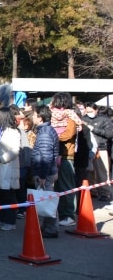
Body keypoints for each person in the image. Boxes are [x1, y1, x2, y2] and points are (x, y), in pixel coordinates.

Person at [50, 92, 81, 227]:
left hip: (67, 155)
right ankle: (61, 213)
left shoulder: (71, 116)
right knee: (57, 187)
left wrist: (52, 136)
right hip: (54, 154)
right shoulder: (51, 116)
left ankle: (68, 215)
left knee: (66, 186)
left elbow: (68, 134)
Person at [0, 107, 21, 231]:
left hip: (7, 166)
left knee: (8, 195)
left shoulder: (13, 131)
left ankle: (9, 221)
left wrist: (1, 158)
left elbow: (15, 150)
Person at [31, 105, 60, 238]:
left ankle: (50, 228)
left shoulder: (45, 132)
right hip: (48, 171)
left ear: (40, 117)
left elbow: (46, 156)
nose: (32, 117)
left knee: (47, 201)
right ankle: (47, 227)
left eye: (34, 115)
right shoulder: (47, 130)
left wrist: (42, 175)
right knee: (48, 200)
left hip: (45, 173)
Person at [83, 103, 113, 206]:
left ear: (96, 110)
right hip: (88, 149)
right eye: (87, 112)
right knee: (90, 172)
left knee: (102, 172)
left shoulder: (104, 119)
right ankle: (93, 191)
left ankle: (105, 192)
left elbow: (109, 134)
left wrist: (93, 129)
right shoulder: (83, 119)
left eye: (90, 111)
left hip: (101, 148)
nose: (89, 114)